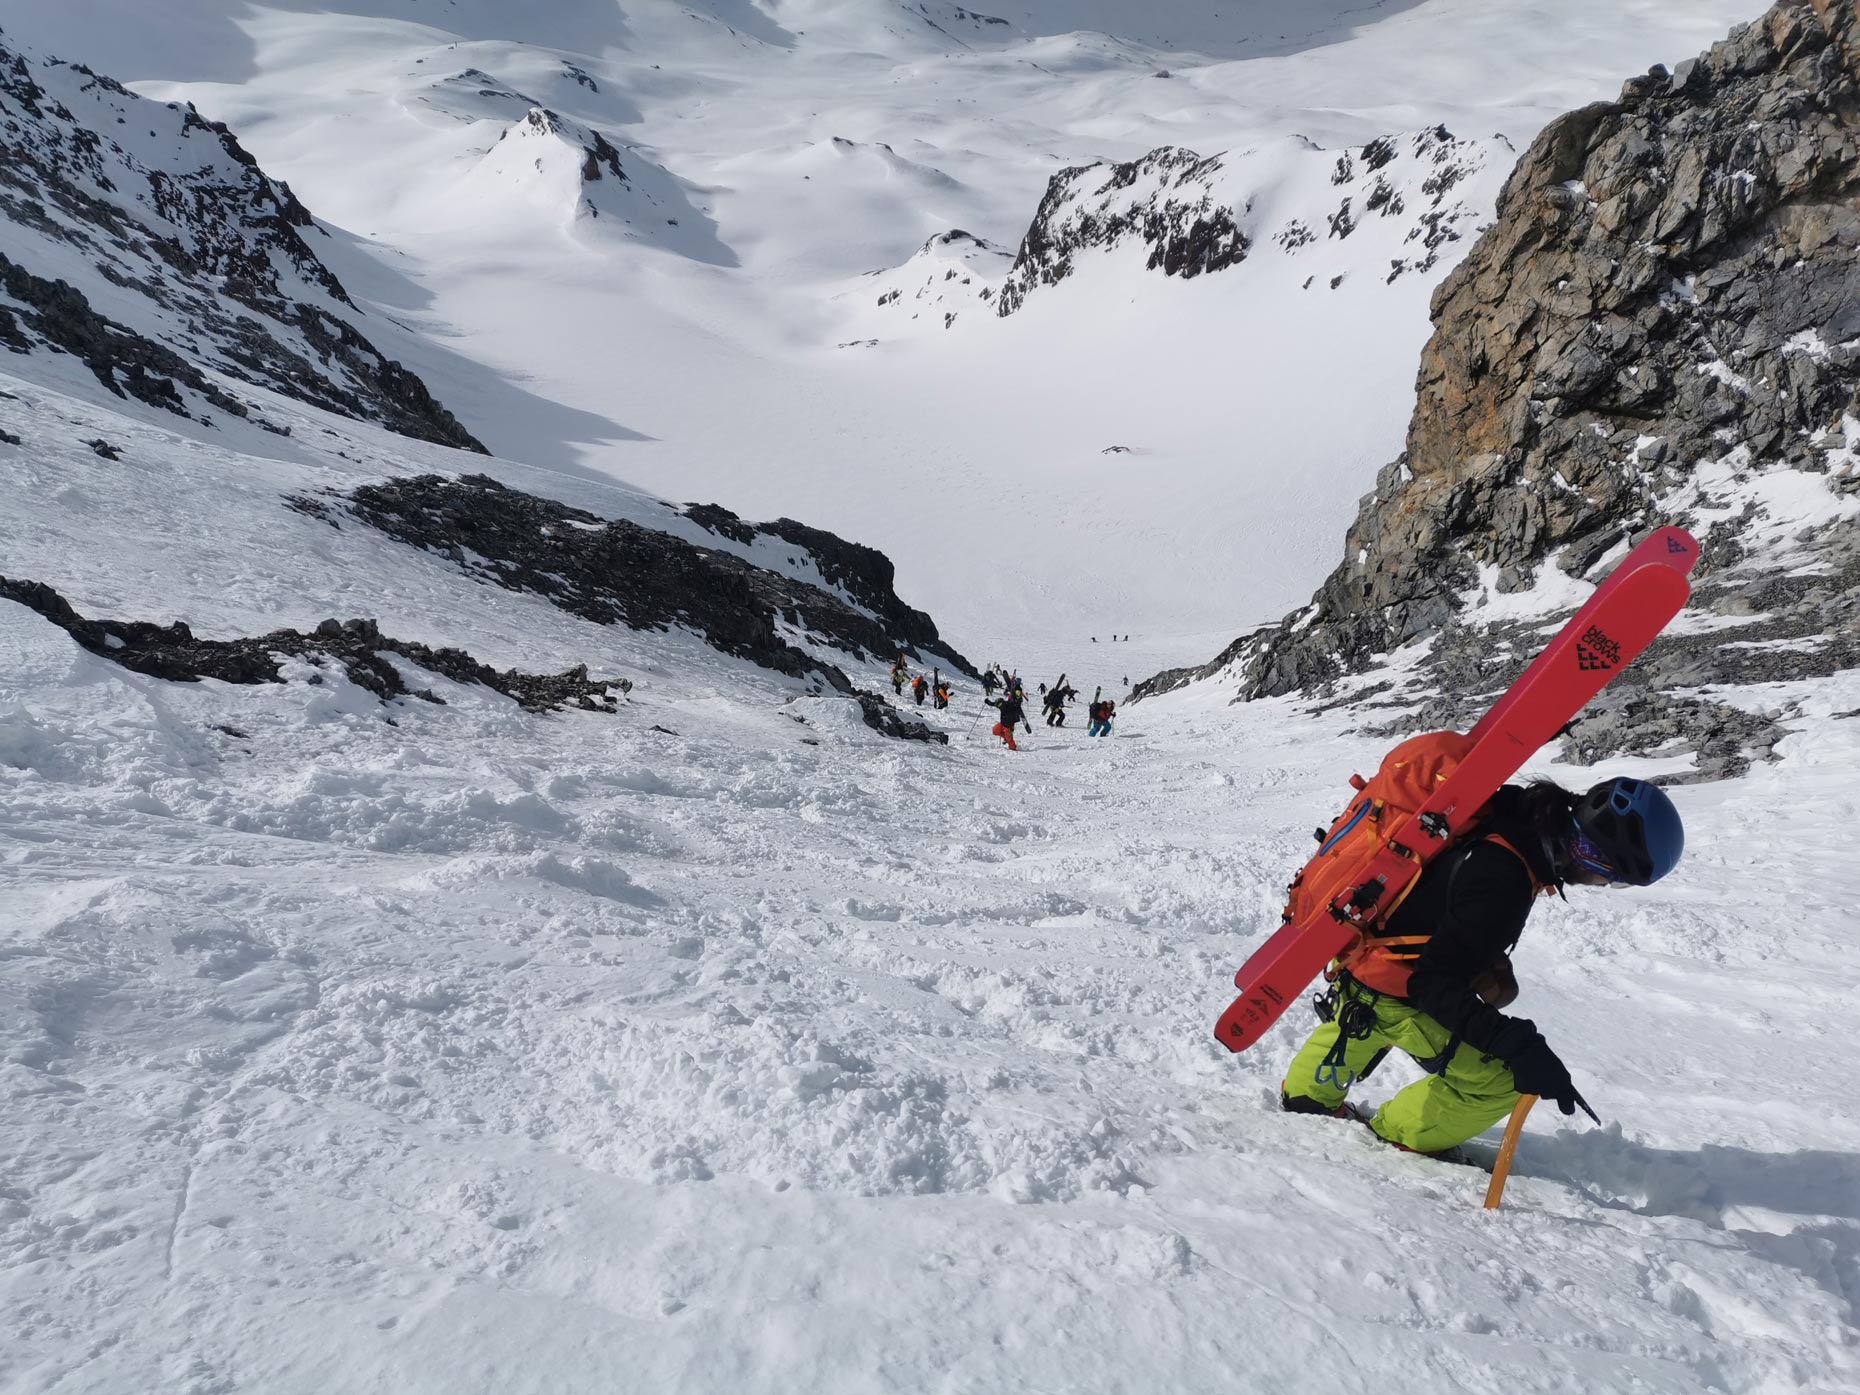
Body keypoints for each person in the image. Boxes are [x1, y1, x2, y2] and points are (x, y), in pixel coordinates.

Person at [1280, 777, 1684, 1155]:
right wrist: (1519, 1047)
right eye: (1605, 873)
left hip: (1362, 953)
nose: (1600, 884)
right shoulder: (1504, 879)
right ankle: (1395, 1136)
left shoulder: (1515, 811)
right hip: (1397, 989)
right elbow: (1432, 987)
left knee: (1366, 1014)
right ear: (1587, 852)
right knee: (1501, 1080)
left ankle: (1306, 1095)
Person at [987, 687, 1031, 751]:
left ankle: (1013, 748)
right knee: (995, 731)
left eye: (1000, 704)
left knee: (1011, 743)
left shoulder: (1010, 705)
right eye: (998, 705)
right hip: (1002, 724)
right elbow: (994, 704)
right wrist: (988, 702)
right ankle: (1006, 738)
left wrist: (1017, 702)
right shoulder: (1001, 706)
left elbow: (1016, 704)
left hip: (1009, 727)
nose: (1000, 706)